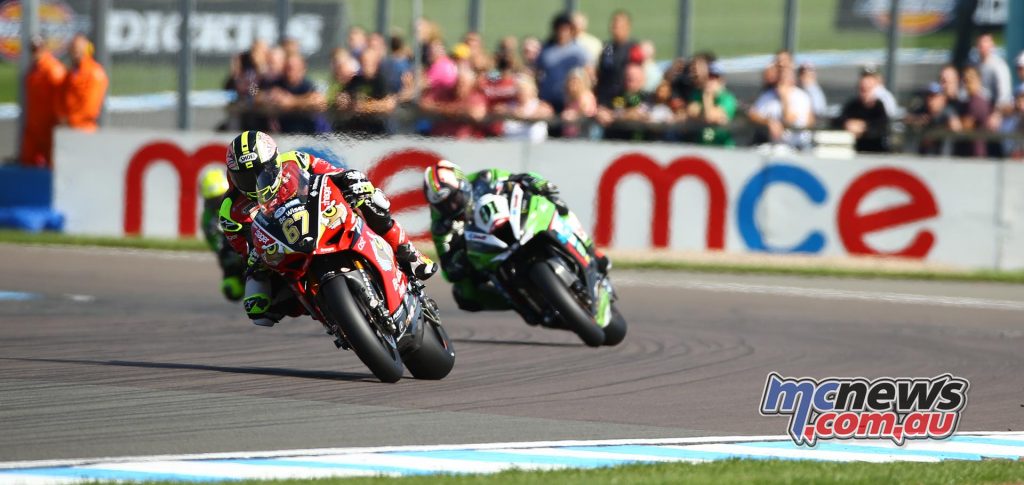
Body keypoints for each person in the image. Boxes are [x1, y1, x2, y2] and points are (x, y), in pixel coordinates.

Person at [220, 130, 437, 326]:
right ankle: (328, 312)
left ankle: (408, 252)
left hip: (320, 218)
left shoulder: (295, 161)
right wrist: (253, 258)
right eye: (244, 177)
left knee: (369, 198)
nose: (255, 181)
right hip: (281, 249)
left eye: (260, 172)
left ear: (274, 162)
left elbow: (332, 174)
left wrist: (351, 180)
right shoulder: (230, 211)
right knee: (258, 308)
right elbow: (244, 250)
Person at [423, 160, 587, 313]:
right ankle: (518, 302)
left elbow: (521, 178)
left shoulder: (485, 177)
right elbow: (447, 266)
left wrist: (536, 183)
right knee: (464, 295)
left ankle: (585, 246)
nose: (451, 206)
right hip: (484, 249)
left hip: (514, 221)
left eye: (454, 198)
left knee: (555, 202)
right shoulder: (440, 225)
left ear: (462, 186)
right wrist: (457, 264)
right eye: (442, 205)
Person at [198, 168, 245, 301]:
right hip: (232, 253)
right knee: (231, 289)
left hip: (253, 241)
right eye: (213, 200)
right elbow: (218, 247)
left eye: (220, 197)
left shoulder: (240, 198)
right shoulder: (208, 219)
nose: (219, 203)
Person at [20, 37, 66, 167]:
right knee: (28, 161)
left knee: (51, 162)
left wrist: (58, 119)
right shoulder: (33, 70)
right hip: (34, 125)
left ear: (44, 49)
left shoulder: (53, 69)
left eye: (38, 49)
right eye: (33, 50)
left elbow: (61, 97)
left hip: (48, 125)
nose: (36, 52)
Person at [748, 65, 814, 149]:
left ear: (792, 80)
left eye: (783, 79)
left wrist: (784, 99)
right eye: (779, 79)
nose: (780, 83)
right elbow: (753, 114)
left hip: (798, 145)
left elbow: (789, 119)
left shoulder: (801, 97)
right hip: (775, 144)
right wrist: (768, 122)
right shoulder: (768, 95)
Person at [258, 54, 326, 134]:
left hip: (306, 133)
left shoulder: (308, 85)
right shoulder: (277, 84)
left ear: (302, 69)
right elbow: (257, 97)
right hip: (282, 134)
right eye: (287, 67)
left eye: (293, 67)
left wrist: (291, 101)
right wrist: (269, 96)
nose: (290, 70)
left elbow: (320, 102)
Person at [536, 13, 589, 112]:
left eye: (565, 29)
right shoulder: (546, 50)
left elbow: (588, 73)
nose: (562, 33)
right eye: (559, 29)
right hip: (548, 100)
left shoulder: (579, 51)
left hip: (570, 102)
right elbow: (538, 72)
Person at [59, 33, 108, 132]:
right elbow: (61, 97)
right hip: (68, 128)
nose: (74, 52)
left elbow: (90, 106)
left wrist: (71, 119)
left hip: (84, 128)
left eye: (77, 48)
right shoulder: (71, 72)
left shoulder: (94, 72)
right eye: (73, 48)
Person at [685, 60, 737, 146]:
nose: (711, 80)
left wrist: (707, 96)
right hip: (702, 145)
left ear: (721, 80)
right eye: (709, 76)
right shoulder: (697, 95)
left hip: (722, 147)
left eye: (714, 77)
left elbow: (710, 116)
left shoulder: (728, 99)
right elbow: (691, 112)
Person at [834, 74, 890, 153]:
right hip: (854, 150)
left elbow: (882, 126)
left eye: (868, 88)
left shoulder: (879, 106)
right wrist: (848, 124)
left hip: (875, 150)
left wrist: (863, 127)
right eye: (862, 88)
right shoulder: (852, 105)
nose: (865, 91)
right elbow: (838, 120)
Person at [595, 10, 635, 107]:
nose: (615, 29)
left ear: (628, 27)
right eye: (614, 25)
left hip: (626, 98)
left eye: (619, 26)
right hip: (606, 97)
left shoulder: (633, 48)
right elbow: (603, 70)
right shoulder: (608, 47)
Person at [975, 33, 1013, 112]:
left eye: (986, 43)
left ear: (992, 45)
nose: (983, 46)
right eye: (981, 44)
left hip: (995, 109)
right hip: (980, 108)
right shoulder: (975, 65)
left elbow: (1004, 94)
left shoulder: (999, 65)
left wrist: (997, 114)